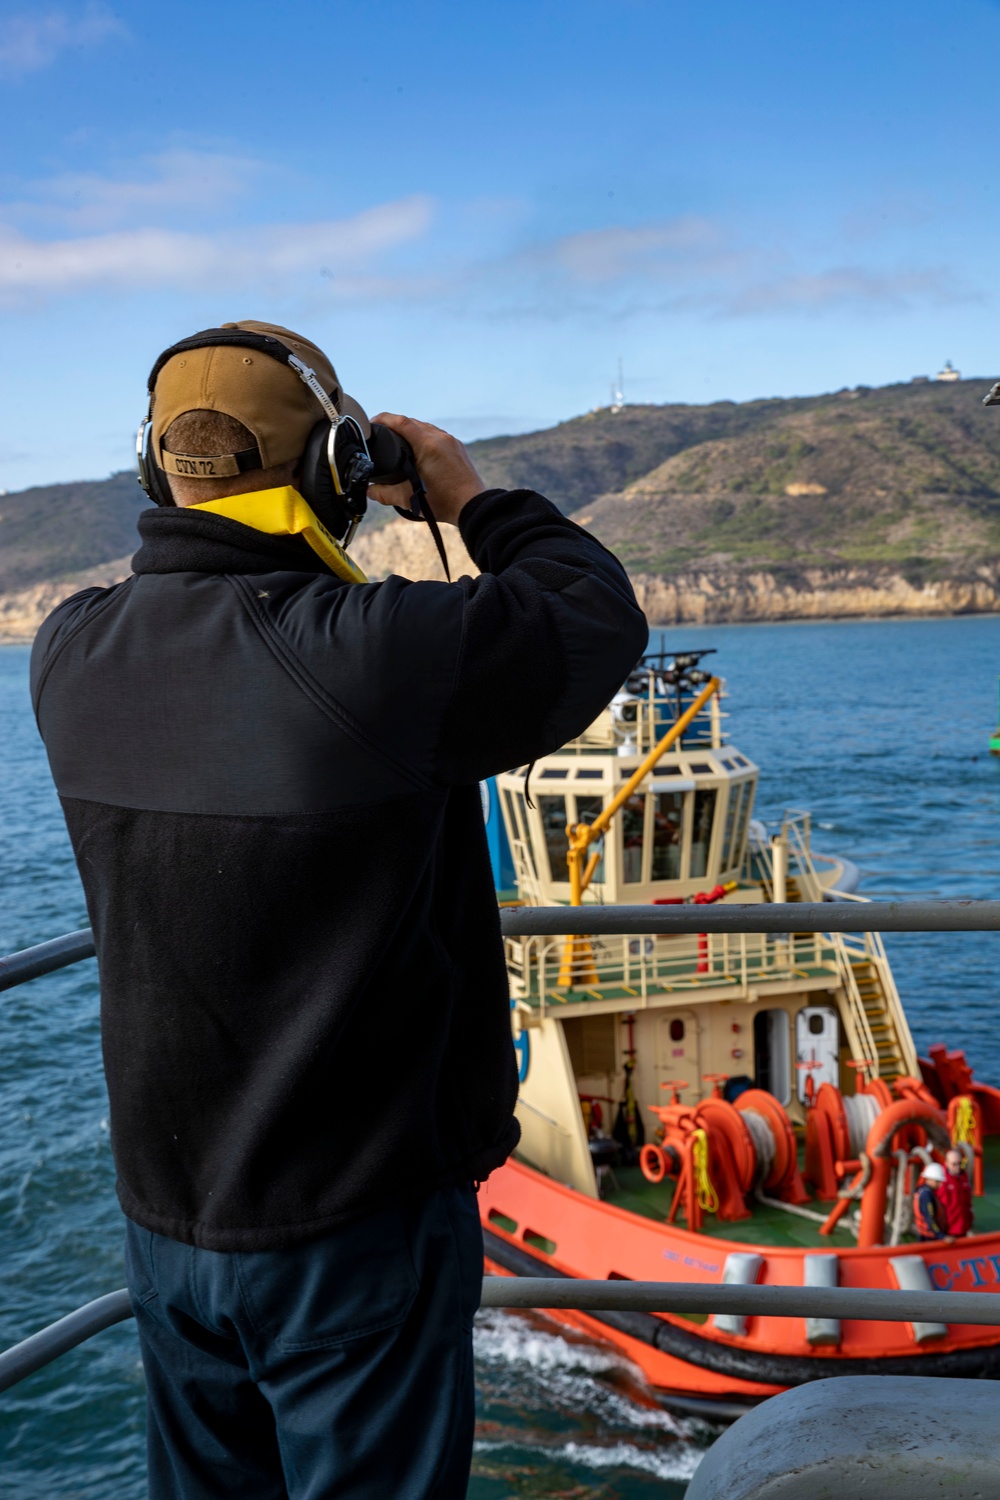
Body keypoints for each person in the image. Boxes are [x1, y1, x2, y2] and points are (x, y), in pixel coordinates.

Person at [30, 320, 648, 1500]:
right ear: (333, 471)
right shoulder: (372, 656)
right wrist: (467, 495)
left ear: (159, 472)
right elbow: (590, 613)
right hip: (355, 1221)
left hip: (169, 1220)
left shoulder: (67, 649)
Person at [938, 1146, 974, 1237]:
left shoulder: (963, 1177)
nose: (957, 1167)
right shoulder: (939, 1178)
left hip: (963, 1226)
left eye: (959, 1163)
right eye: (954, 1164)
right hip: (948, 1229)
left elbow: (968, 1201)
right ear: (946, 1163)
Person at [913, 1161, 947, 1242]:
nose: (940, 1184)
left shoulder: (921, 1191)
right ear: (929, 1179)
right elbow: (930, 1218)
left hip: (924, 1234)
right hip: (929, 1237)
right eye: (937, 1181)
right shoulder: (926, 1195)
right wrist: (941, 1236)